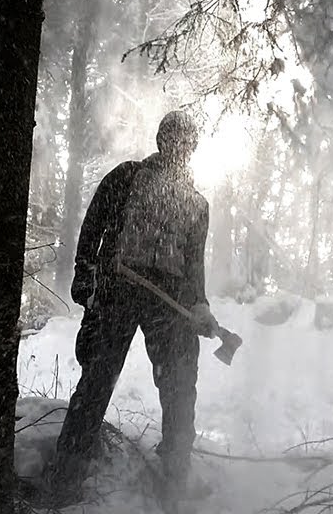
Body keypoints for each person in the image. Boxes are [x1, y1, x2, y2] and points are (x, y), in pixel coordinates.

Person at [43, 110, 220, 507]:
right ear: (160, 140)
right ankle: (65, 479)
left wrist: (200, 304)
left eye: (185, 142)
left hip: (169, 302)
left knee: (180, 386)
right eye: (172, 139)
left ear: (192, 149)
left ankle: (175, 479)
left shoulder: (196, 204)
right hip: (118, 288)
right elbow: (93, 227)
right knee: (96, 382)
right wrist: (85, 274)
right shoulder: (126, 177)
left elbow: (193, 263)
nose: (178, 147)